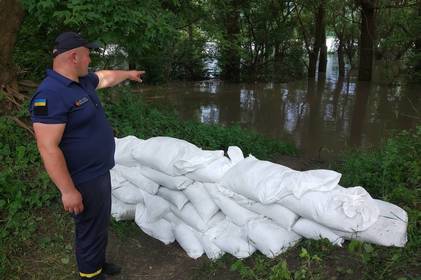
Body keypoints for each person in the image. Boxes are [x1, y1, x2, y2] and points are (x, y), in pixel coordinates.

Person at [29, 32, 144, 279]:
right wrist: (68, 191)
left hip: (99, 171)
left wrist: (128, 74)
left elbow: (105, 78)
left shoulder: (80, 82)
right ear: (74, 57)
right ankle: (90, 274)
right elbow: (48, 148)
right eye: (88, 55)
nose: (90, 60)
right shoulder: (50, 95)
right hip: (82, 177)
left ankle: (97, 263)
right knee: (89, 228)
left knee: (99, 223)